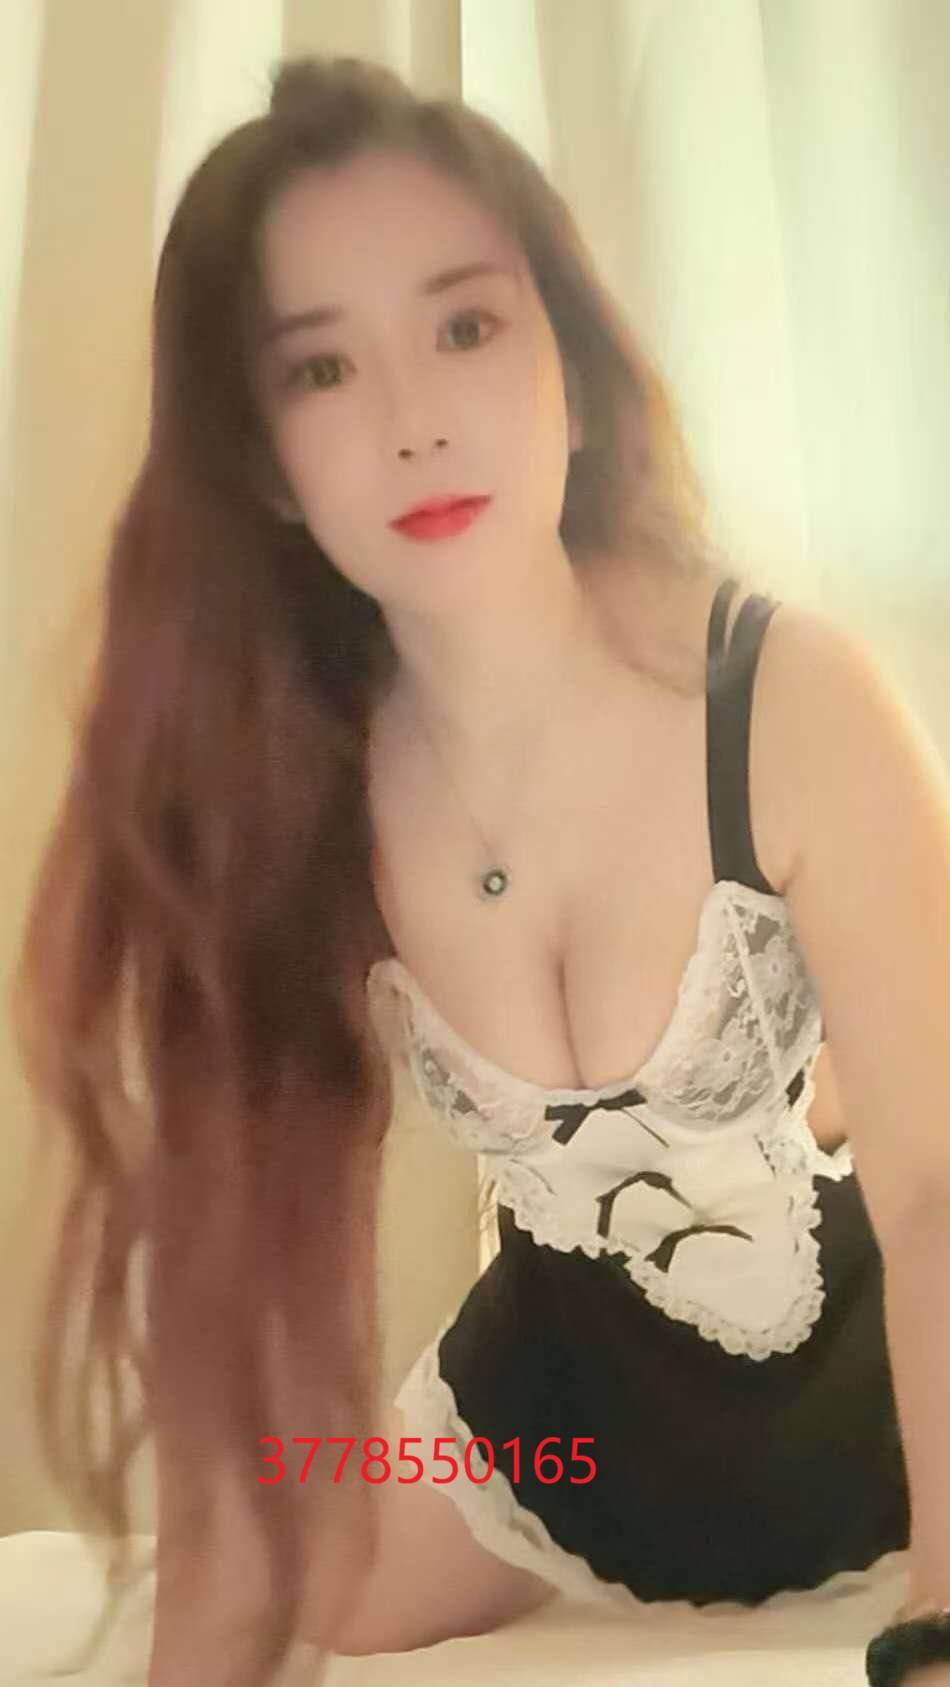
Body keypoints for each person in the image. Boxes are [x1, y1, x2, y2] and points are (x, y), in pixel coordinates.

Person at [13, 52, 950, 1687]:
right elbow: (251, 1325)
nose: (415, 421)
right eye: (321, 369)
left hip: (886, 1407)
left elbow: (940, 1190)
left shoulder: (787, 699)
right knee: (305, 1585)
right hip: (557, 1440)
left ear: (566, 364)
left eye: (464, 327)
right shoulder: (286, 801)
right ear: (259, 464)